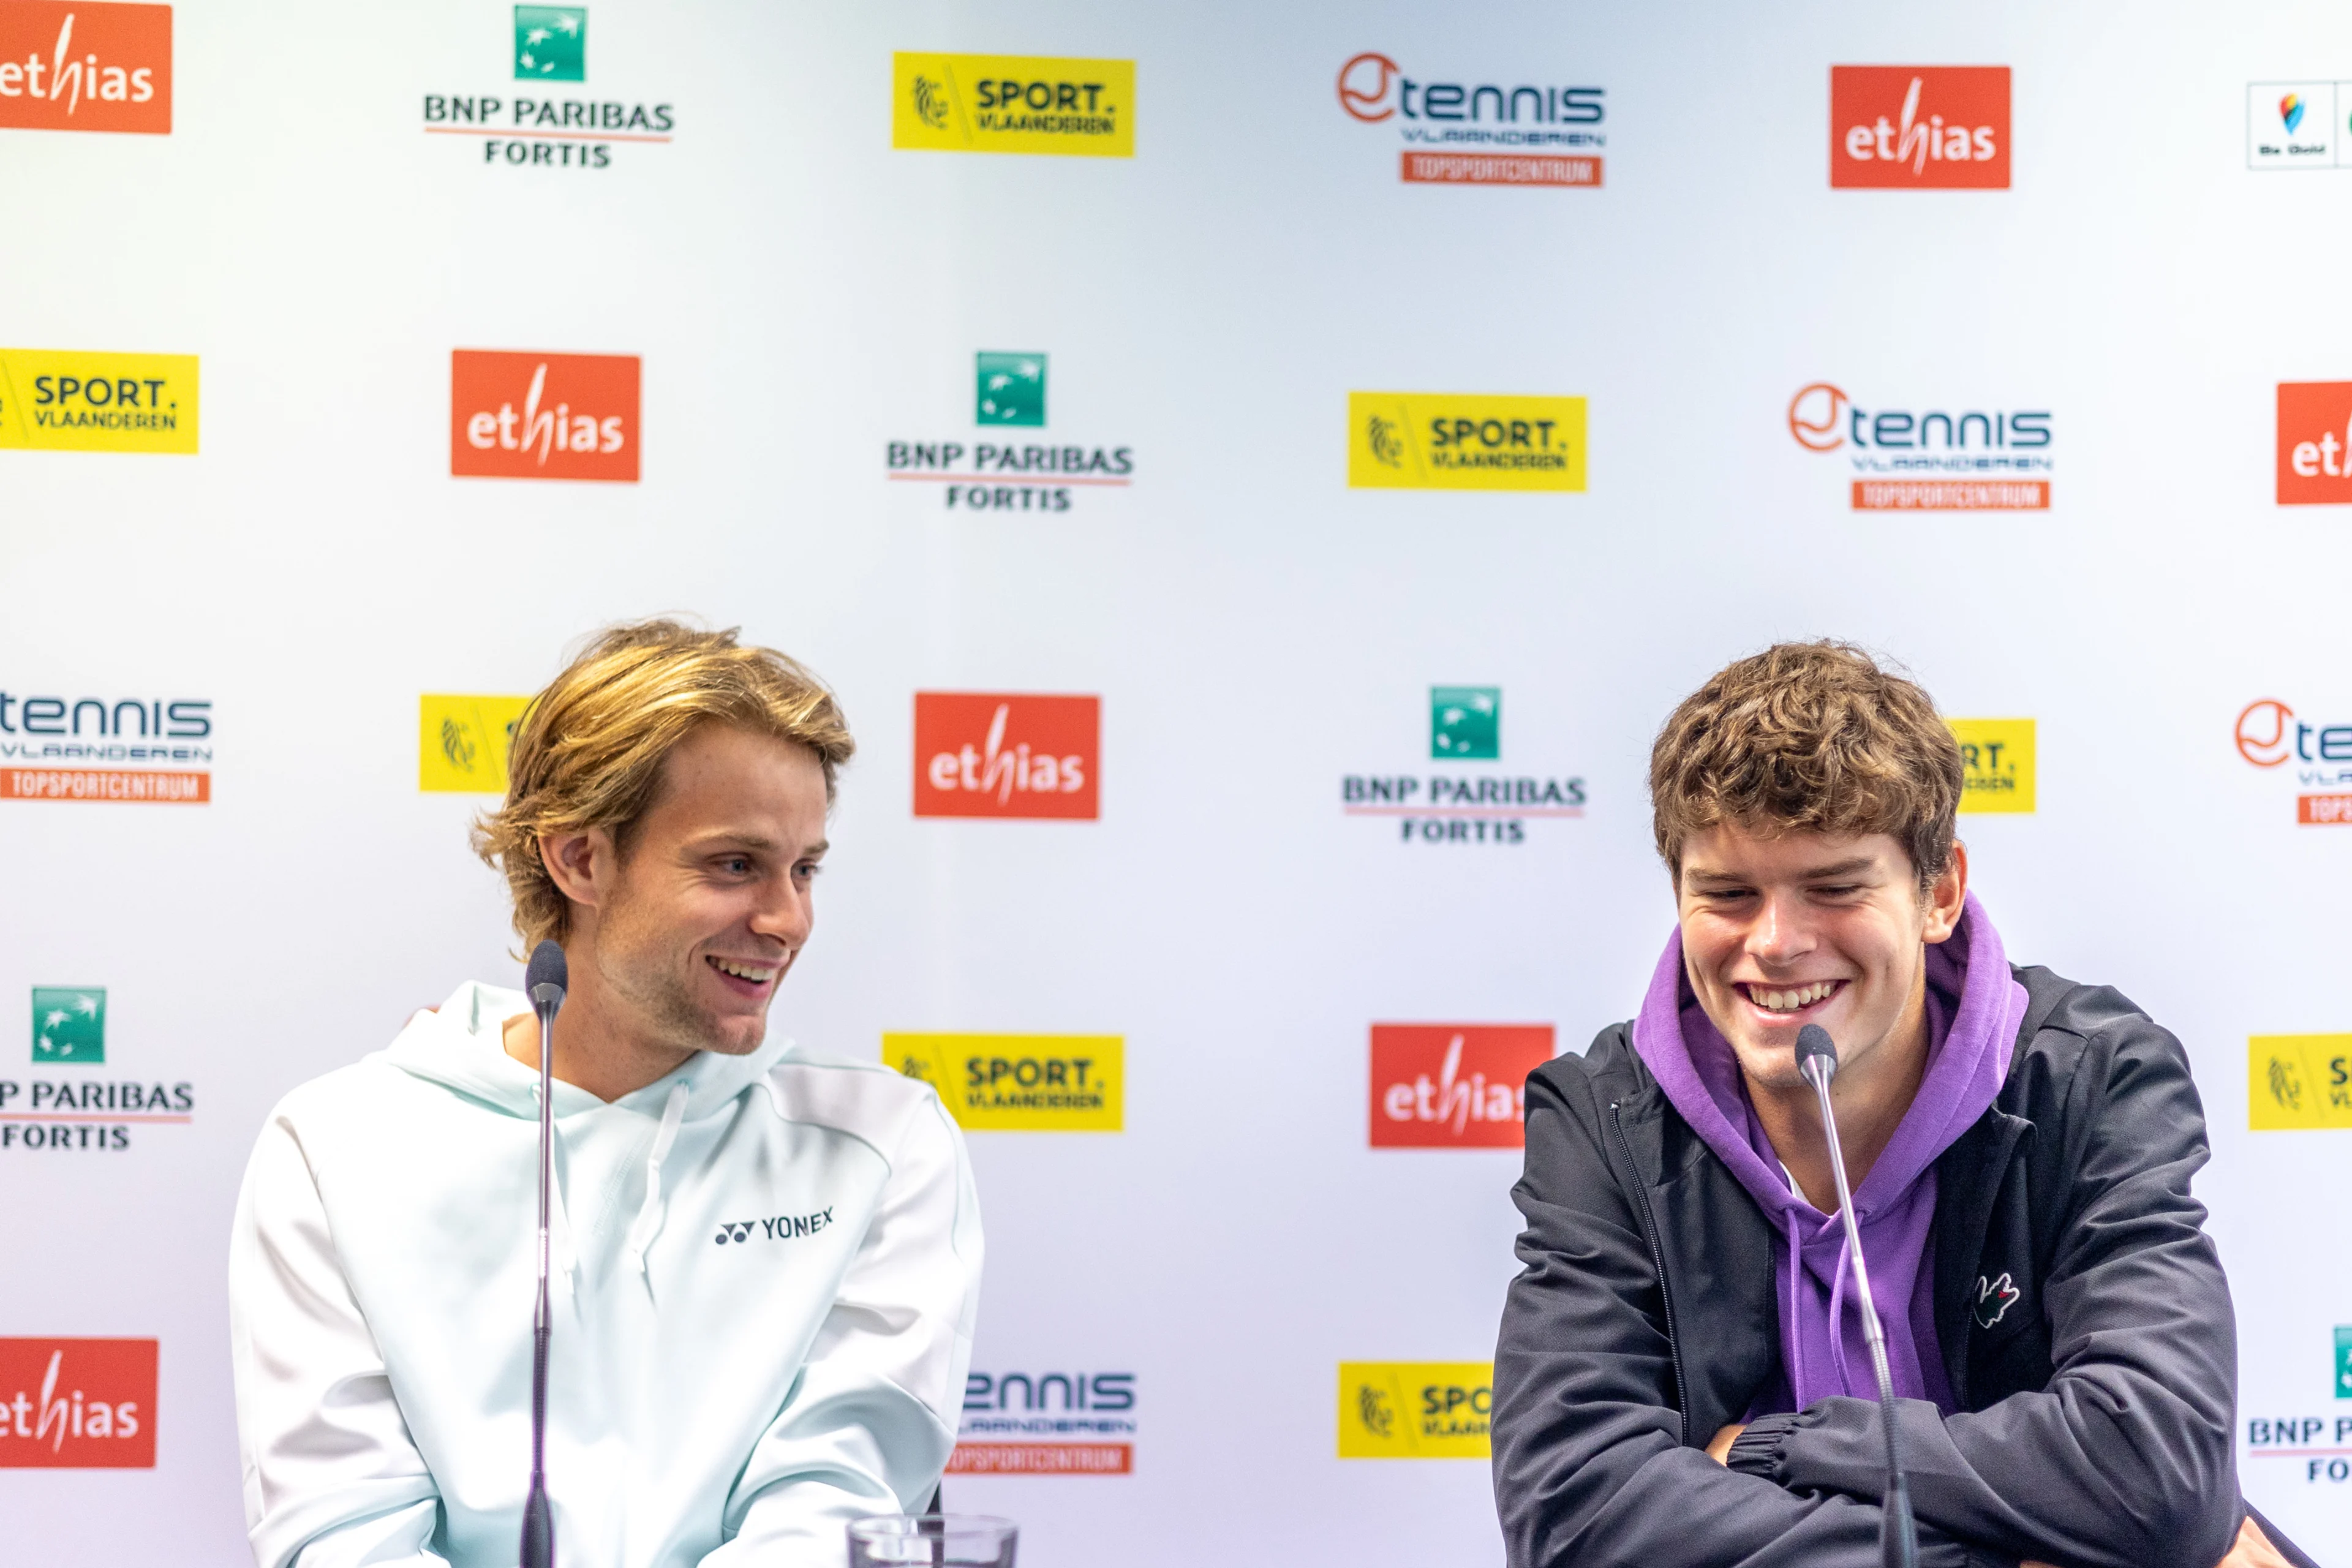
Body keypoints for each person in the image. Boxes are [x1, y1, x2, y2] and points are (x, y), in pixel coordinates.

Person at [1491, 642, 2301, 1568]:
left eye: (1834, 888)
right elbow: (1573, 1516)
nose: (1776, 942)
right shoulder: (1599, 1119)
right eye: (1726, 894)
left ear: (1940, 892)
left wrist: (1775, 1447)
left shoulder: (2091, 1075)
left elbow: (2159, 1475)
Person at [229, 620, 982, 1568]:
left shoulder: (882, 1143)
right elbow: (340, 1535)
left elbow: (834, 1511)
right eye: (735, 865)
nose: (788, 920)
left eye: (804, 869)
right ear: (580, 859)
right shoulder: (336, 1146)